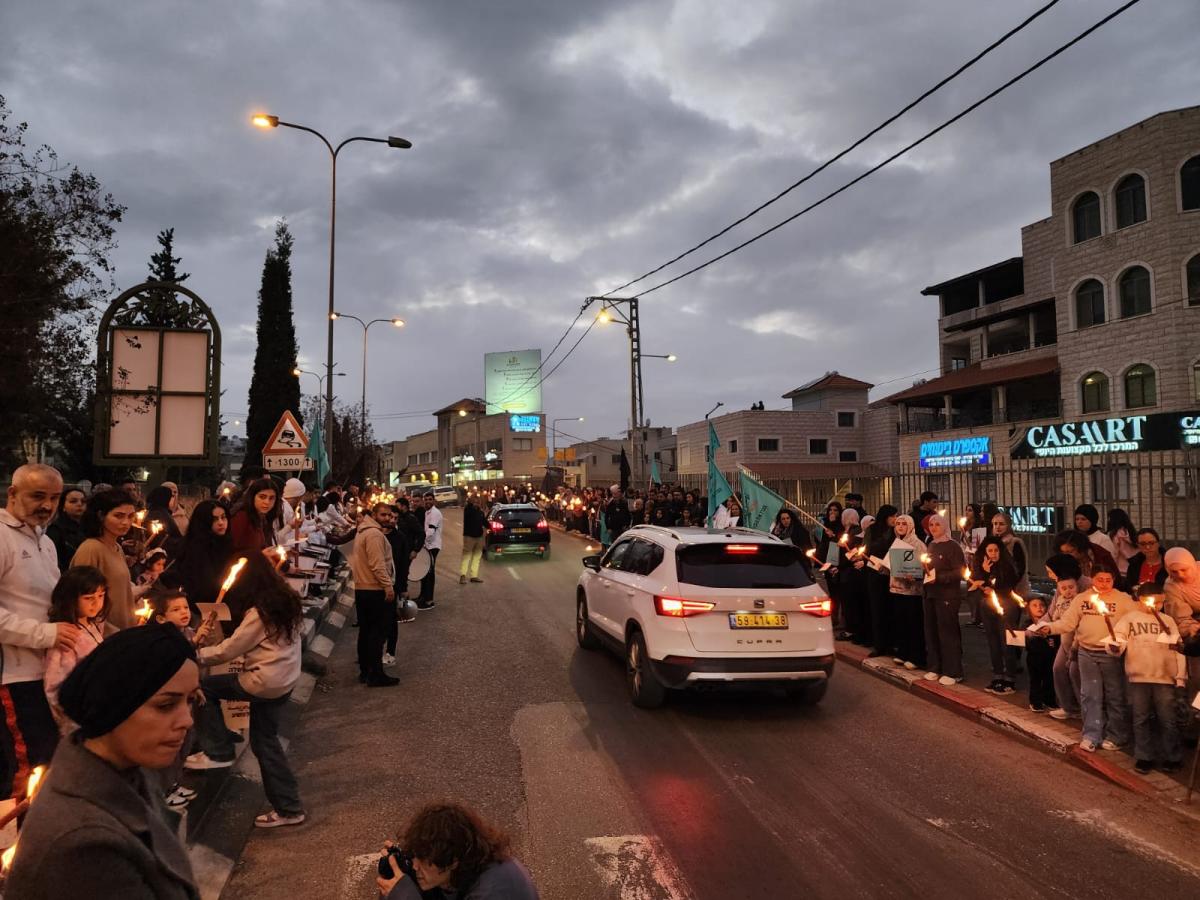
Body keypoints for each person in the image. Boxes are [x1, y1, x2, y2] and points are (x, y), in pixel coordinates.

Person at [4, 624, 200, 899]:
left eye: (190, 701)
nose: (187, 720)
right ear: (113, 704)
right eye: (165, 705)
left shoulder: (126, 770)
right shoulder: (82, 844)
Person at [187, 555, 306, 828]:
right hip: (284, 680)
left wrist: (195, 652)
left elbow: (229, 650)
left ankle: (218, 750)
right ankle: (289, 808)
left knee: (206, 687)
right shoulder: (286, 600)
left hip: (264, 681)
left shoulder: (259, 613)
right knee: (266, 743)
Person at [0, 464, 77, 799]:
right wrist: (44, 635)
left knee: (47, 761)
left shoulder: (45, 542)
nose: (47, 505)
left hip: (44, 674)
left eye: (54, 498)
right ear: (12, 494)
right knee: (23, 770)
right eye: (37, 496)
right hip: (12, 678)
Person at [1036, 564, 1136, 752]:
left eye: (1108, 580)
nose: (1104, 584)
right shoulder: (1082, 599)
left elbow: (1134, 621)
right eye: (1100, 579)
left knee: (1114, 695)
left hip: (1111, 655)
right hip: (1086, 653)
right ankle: (1091, 734)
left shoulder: (1123, 600)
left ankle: (1117, 736)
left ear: (1113, 580)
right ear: (1092, 579)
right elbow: (1068, 622)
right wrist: (1050, 628)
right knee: (1090, 695)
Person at [377, 803, 539, 900]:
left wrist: (407, 896)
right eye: (414, 857)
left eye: (423, 860)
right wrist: (399, 877)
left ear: (452, 861)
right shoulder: (468, 866)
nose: (415, 866)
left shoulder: (493, 891)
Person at [1110, 584, 1185, 774]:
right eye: (1153, 601)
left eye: (1161, 602)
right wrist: (1114, 646)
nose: (1157, 606)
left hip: (1164, 676)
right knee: (1140, 717)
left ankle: (1172, 756)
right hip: (1138, 676)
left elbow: (1179, 650)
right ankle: (1144, 756)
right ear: (1140, 599)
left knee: (1168, 719)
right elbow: (1118, 639)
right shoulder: (1130, 619)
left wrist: (1180, 677)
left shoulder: (1168, 620)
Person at [71, 488, 159, 630]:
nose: (126, 522)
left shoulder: (117, 547)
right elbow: (80, 599)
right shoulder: (91, 549)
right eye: (118, 516)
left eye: (130, 516)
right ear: (101, 516)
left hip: (123, 628)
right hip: (104, 635)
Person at [43, 565, 109, 733]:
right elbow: (54, 687)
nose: (97, 603)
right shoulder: (66, 636)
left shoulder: (93, 625)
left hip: (101, 709)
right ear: (70, 598)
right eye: (88, 598)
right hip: (81, 721)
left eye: (101, 595)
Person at [350, 504, 399, 687]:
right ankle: (376, 674)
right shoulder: (374, 534)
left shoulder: (362, 531)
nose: (387, 518)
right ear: (374, 515)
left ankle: (366, 671)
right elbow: (378, 565)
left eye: (389, 515)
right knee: (377, 634)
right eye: (383, 515)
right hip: (374, 590)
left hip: (362, 589)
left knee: (366, 632)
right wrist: (388, 587)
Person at [972, 536, 1020, 695]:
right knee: (992, 641)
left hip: (1007, 606)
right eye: (989, 550)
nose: (993, 554)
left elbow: (1009, 584)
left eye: (996, 550)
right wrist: (985, 574)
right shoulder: (981, 566)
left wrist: (993, 588)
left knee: (1006, 641)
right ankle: (998, 675)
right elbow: (977, 583)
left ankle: (1010, 678)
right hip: (988, 606)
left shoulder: (1007, 565)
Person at [167, 499, 233, 616]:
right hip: (200, 611)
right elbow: (201, 586)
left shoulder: (226, 543)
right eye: (214, 519)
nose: (221, 523)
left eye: (224, 517)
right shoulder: (195, 549)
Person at [922, 513, 965, 686]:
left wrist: (939, 578)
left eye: (937, 525)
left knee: (947, 632)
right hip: (931, 594)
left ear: (944, 526)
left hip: (947, 595)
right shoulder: (931, 545)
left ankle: (953, 671)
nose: (933, 528)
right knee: (931, 631)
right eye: (931, 525)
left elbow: (959, 571)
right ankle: (935, 667)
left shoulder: (952, 546)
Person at [1044, 554, 1083, 722]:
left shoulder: (1082, 591)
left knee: (1076, 673)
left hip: (1079, 640)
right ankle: (1069, 707)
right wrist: (1039, 627)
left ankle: (1085, 709)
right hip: (1064, 639)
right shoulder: (1059, 595)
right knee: (1058, 669)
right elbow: (1053, 615)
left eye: (1050, 571)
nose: (1049, 575)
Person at [887, 514, 926, 671]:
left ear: (910, 526)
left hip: (912, 592)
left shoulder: (918, 544)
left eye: (904, 524)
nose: (901, 526)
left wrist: (915, 575)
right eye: (898, 524)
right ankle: (903, 652)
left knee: (913, 624)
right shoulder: (896, 543)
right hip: (897, 589)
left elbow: (924, 566)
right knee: (900, 622)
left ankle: (916, 656)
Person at [859, 505, 896, 650]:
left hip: (891, 573)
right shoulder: (872, 530)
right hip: (875, 572)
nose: (895, 519)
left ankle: (892, 643)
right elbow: (867, 548)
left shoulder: (896, 531)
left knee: (891, 609)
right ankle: (879, 644)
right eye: (892, 516)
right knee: (877, 609)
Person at [1021, 596, 1059, 713]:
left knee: (1049, 679)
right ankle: (1035, 701)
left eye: (1042, 605)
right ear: (1029, 608)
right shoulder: (1027, 623)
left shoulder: (1051, 623)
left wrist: (1053, 642)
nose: (1039, 608)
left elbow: (1057, 636)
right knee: (1035, 679)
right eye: (1035, 605)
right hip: (1034, 657)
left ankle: (1049, 700)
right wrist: (1028, 636)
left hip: (1050, 656)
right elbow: (1021, 639)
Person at [229, 477, 281, 557]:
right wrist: (260, 555)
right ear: (252, 497)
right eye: (262, 497)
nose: (267, 502)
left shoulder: (263, 517)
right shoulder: (241, 517)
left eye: (271, 498)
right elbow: (231, 552)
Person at [46, 485, 87, 570]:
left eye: (83, 501)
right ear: (63, 506)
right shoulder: (55, 529)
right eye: (73, 501)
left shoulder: (90, 527)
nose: (79, 504)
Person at [990, 511, 1030, 598]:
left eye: (1001, 524)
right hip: (994, 586)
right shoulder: (991, 543)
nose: (998, 527)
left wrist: (1009, 584)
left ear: (1008, 525)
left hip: (1012, 588)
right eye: (995, 524)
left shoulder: (1015, 542)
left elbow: (1020, 567)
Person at [144, 484, 184, 561]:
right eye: (172, 497)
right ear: (165, 499)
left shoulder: (162, 512)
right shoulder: (158, 515)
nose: (174, 499)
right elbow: (161, 540)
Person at [418, 492, 443, 610]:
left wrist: (420, 542)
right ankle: (422, 596)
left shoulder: (435, 513)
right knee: (424, 572)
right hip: (427, 546)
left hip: (433, 546)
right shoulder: (427, 512)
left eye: (430, 499)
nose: (427, 501)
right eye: (426, 499)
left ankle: (429, 600)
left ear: (433, 501)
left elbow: (431, 531)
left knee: (429, 573)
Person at [1123, 528, 1167, 593]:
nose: (1147, 547)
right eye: (1143, 544)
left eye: (1151, 543)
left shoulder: (1168, 563)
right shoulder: (1134, 564)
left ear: (1158, 543)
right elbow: (1129, 586)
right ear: (1138, 545)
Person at [459, 495, 487, 586]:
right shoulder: (468, 510)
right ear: (471, 502)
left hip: (479, 537)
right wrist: (471, 502)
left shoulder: (480, 512)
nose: (477, 503)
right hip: (469, 537)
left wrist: (492, 528)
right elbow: (469, 507)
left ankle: (474, 576)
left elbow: (485, 522)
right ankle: (463, 575)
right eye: (475, 501)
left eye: (478, 502)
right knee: (466, 556)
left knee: (477, 557)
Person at [1105, 508, 1137, 577]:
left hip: (1119, 570)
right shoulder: (1130, 532)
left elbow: (1114, 553)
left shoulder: (1114, 534)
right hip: (1133, 568)